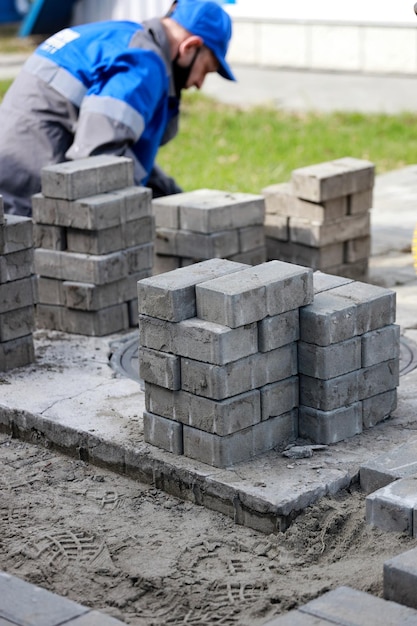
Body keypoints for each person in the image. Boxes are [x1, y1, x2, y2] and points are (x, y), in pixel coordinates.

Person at [0, 0, 235, 216]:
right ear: (190, 47)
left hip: (12, 170)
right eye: (206, 69)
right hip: (24, 198)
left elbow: (118, 151)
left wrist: (174, 197)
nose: (199, 83)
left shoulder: (119, 36)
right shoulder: (143, 63)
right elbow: (97, 164)